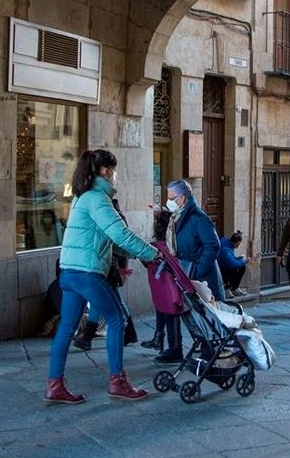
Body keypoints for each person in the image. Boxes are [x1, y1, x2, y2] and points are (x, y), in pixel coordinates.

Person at [45, 149, 161, 404]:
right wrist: (152, 253)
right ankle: (117, 382)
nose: (115, 176)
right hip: (88, 273)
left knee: (66, 327)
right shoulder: (98, 198)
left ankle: (55, 385)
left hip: (70, 271)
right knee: (117, 319)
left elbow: (108, 239)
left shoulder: (81, 197)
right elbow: (120, 234)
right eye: (114, 170)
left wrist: (141, 254)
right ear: (106, 171)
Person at [73, 199, 138, 351]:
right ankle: (129, 332)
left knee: (100, 300)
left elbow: (119, 244)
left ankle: (88, 336)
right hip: (108, 266)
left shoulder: (114, 219)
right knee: (114, 299)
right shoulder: (113, 217)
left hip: (109, 267)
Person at [165, 179, 224, 302]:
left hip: (203, 279)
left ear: (182, 198)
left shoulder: (199, 217)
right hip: (187, 274)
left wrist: (199, 270)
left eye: (172, 198)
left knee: (208, 318)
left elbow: (213, 245)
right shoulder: (177, 216)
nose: (169, 202)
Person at [140, 209, 185, 364]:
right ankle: (162, 341)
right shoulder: (171, 245)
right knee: (165, 312)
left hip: (166, 287)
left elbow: (145, 261)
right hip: (165, 287)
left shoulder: (157, 246)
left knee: (170, 315)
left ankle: (175, 349)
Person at [219, 230, 249, 297]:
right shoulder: (226, 249)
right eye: (238, 244)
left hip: (224, 265)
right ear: (235, 242)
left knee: (242, 267)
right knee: (234, 269)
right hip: (221, 268)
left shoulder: (229, 245)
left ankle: (234, 288)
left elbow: (230, 259)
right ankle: (226, 288)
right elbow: (232, 264)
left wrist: (238, 258)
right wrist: (243, 261)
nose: (238, 246)